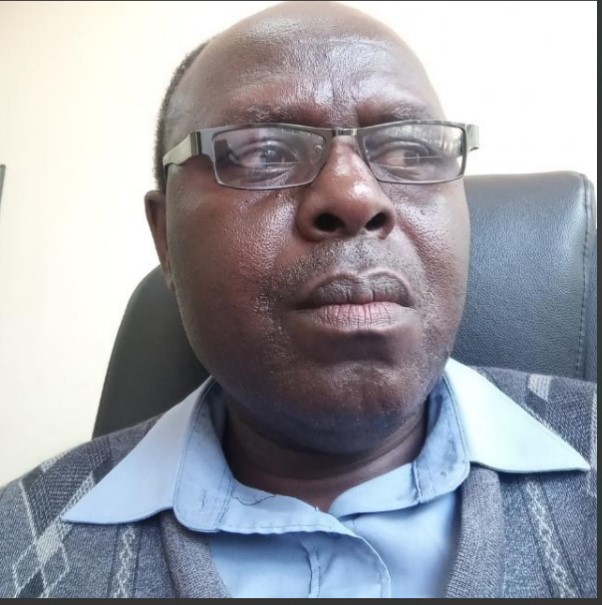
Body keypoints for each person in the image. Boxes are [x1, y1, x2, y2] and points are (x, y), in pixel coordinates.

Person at [0, 1, 596, 598]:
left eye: (409, 150)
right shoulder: (18, 546)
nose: (355, 196)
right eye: (264, 152)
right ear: (165, 238)